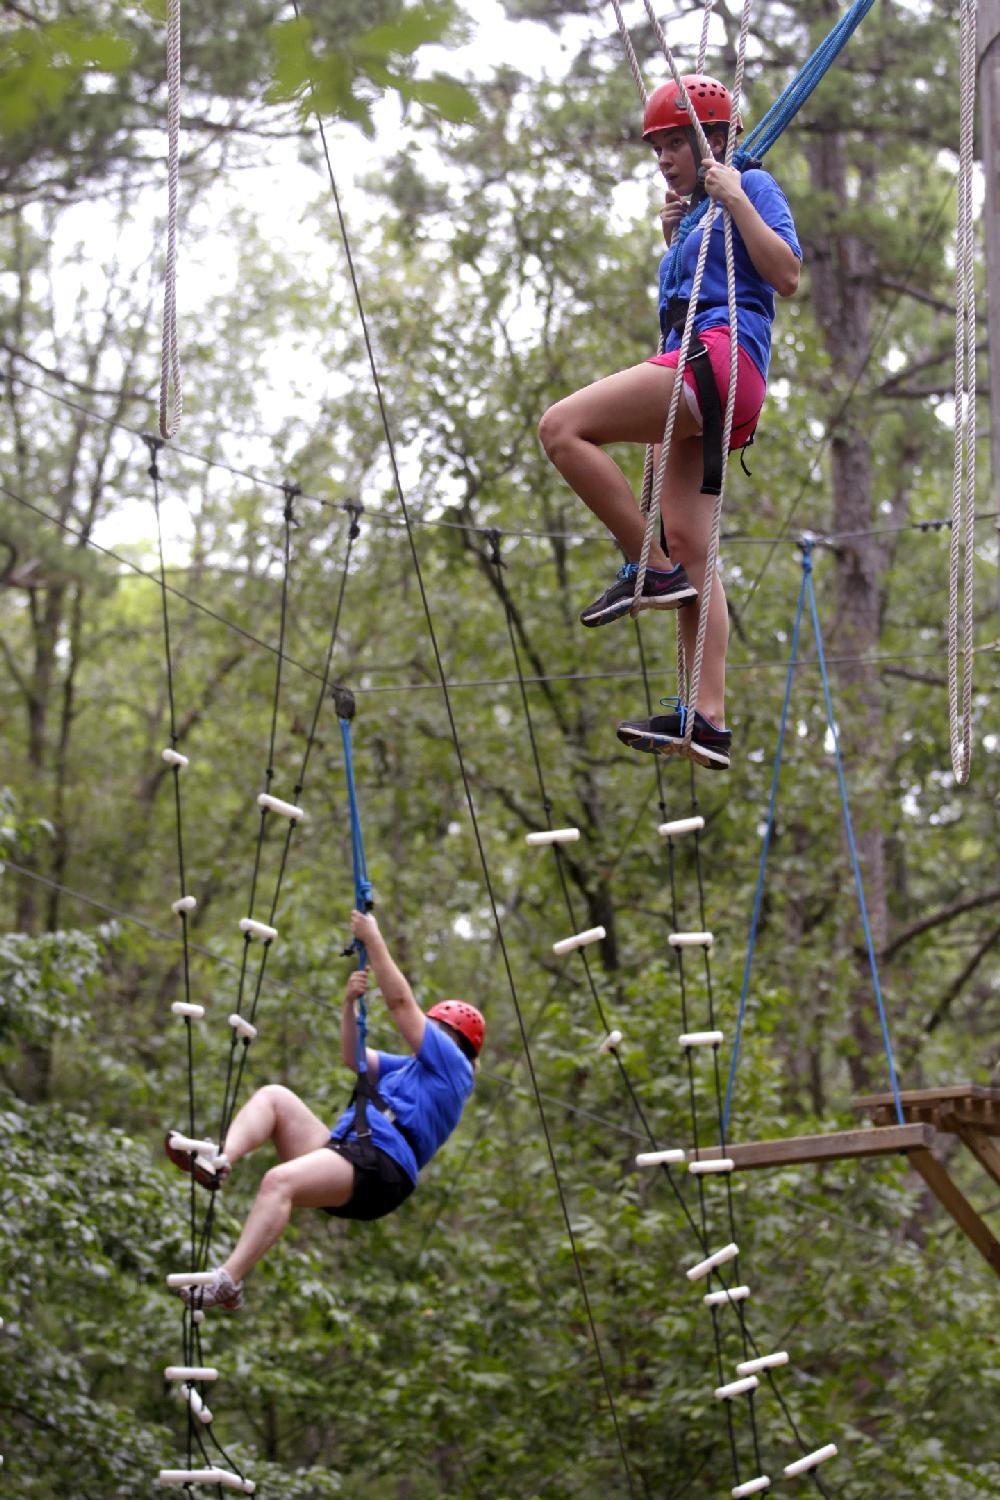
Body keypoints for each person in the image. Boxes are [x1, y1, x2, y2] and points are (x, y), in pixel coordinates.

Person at [538, 74, 801, 770]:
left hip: (721, 363)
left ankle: (644, 567)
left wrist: (738, 199)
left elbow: (787, 273)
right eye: (658, 148)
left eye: (677, 143)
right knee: (692, 549)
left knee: (562, 429)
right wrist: (676, 238)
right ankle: (707, 717)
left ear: (716, 139)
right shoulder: (693, 218)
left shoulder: (751, 184)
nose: (665, 159)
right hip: (710, 384)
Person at [164, 908, 484, 1312]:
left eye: (436, 1030)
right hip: (349, 1151)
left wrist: (373, 938)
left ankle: (228, 1280)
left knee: (278, 1182)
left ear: (453, 1041)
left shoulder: (454, 1070)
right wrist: (348, 1005)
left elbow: (401, 1003)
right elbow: (353, 1057)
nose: (426, 1035)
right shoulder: (410, 1067)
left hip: (380, 1167)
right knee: (275, 1097)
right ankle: (221, 1159)